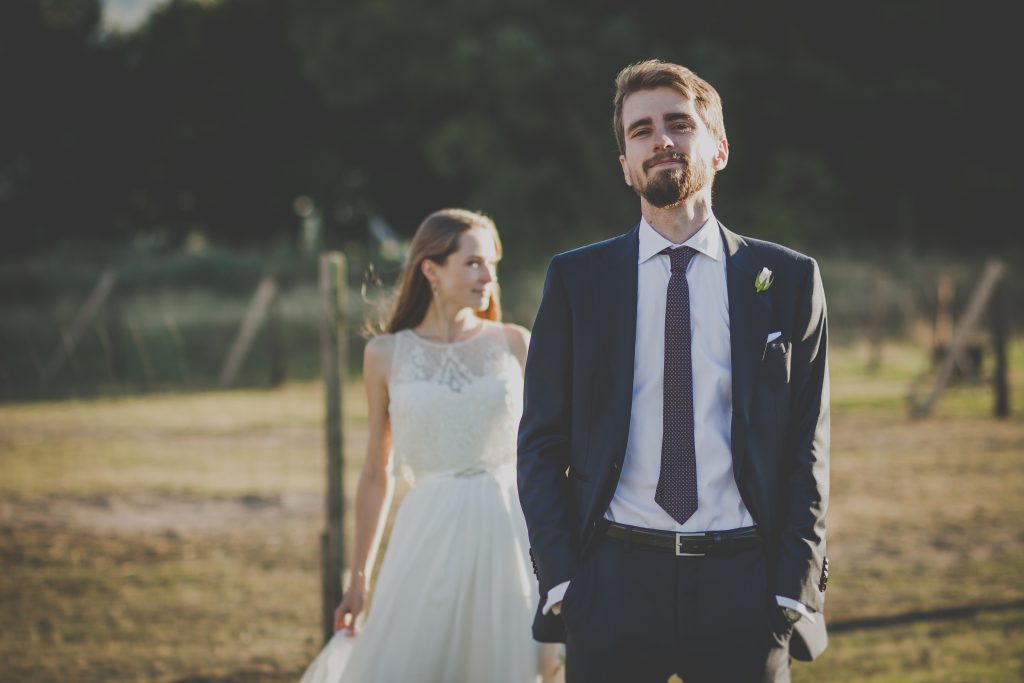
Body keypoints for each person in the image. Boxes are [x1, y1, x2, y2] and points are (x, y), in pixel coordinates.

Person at [517, 60, 830, 683]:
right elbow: (541, 443)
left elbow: (807, 447)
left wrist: (792, 590)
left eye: (679, 124)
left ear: (718, 148)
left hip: (745, 586)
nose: (660, 139)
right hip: (611, 581)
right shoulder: (577, 280)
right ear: (625, 165)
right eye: (640, 131)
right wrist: (563, 583)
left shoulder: (788, 280)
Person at [300, 208, 558, 683]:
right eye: (475, 263)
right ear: (431, 269)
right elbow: (377, 473)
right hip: (427, 532)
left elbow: (552, 452)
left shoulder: (515, 344)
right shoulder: (384, 355)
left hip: (511, 529)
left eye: (493, 265)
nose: (488, 276)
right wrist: (358, 579)